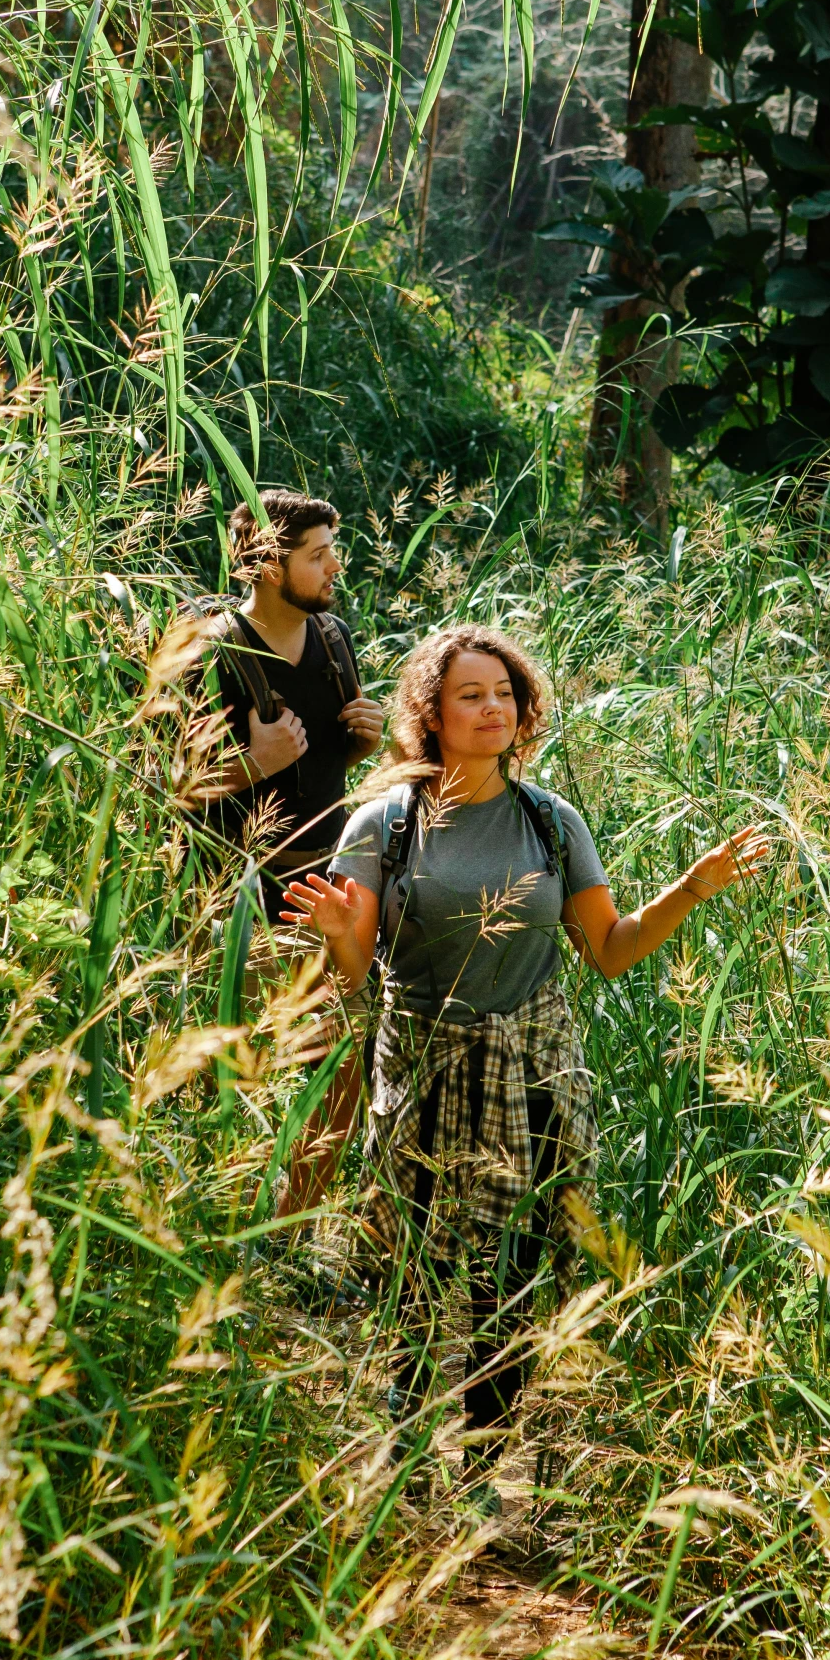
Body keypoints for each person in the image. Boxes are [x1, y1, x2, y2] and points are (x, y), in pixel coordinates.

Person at [280, 623, 770, 1513]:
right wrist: (335, 936)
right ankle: (404, 1460)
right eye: (470, 695)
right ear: (430, 712)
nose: (491, 709)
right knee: (419, 1270)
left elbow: (610, 952)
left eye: (503, 694)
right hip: (424, 1064)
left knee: (514, 1273)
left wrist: (690, 889)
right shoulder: (383, 821)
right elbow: (356, 975)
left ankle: (481, 1475)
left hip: (538, 1067)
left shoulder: (550, 818)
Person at [196, 488, 385, 1214]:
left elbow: (328, 767)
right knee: (253, 1080)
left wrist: (362, 742)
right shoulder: (212, 651)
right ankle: (241, 1236)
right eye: (318, 554)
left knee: (340, 1072)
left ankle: (289, 1233)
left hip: (327, 898)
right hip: (241, 905)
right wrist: (249, 764)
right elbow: (155, 786)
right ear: (270, 565)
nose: (334, 566)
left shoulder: (332, 638)